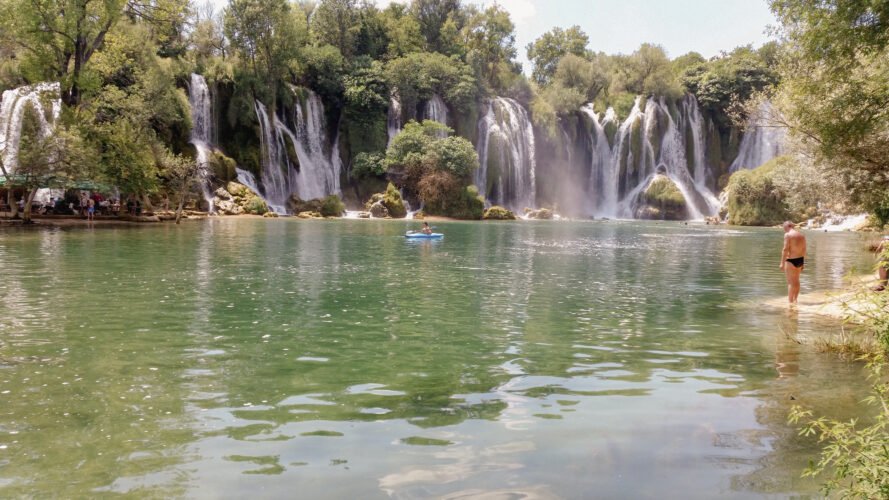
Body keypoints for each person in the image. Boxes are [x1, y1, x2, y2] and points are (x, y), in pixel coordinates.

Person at [779, 220, 807, 304]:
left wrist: (782, 263)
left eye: (784, 228)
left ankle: (790, 302)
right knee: (796, 280)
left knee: (791, 282)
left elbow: (785, 249)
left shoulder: (788, 235)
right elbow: (804, 250)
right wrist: (803, 262)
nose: (784, 229)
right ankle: (795, 299)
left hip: (791, 260)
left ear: (786, 227)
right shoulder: (801, 235)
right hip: (799, 259)